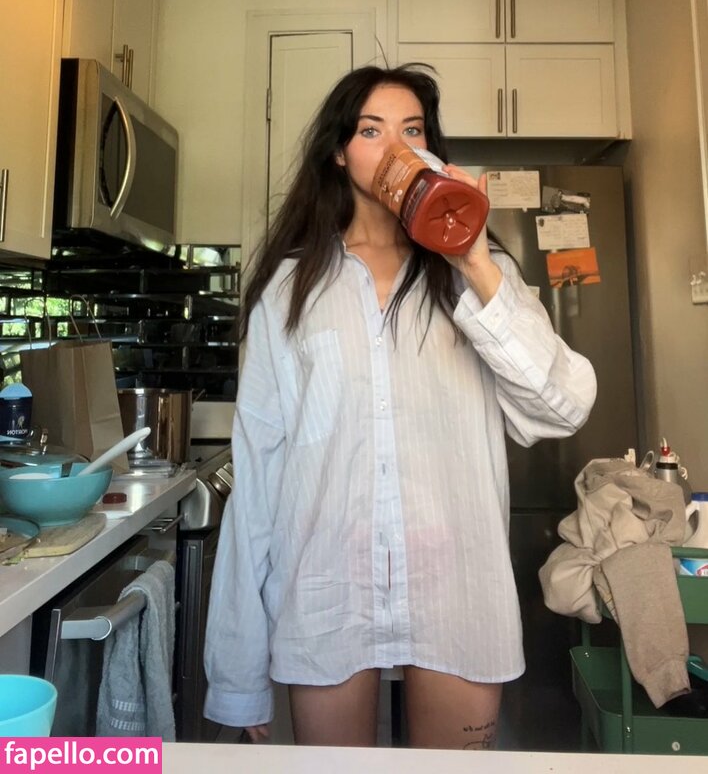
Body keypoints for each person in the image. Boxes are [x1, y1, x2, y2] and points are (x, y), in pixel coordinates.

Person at [203, 63, 597, 750]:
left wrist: (473, 259)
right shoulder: (290, 289)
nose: (394, 148)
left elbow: (561, 408)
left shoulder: (479, 275)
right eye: (371, 130)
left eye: (411, 131)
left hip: (457, 591)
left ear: (431, 151)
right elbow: (260, 475)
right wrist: (237, 669)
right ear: (338, 151)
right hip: (325, 590)